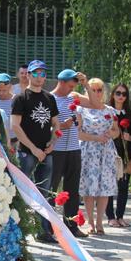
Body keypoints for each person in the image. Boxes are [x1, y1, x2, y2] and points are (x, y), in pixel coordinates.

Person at [10, 59, 59, 241]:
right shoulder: (21, 98)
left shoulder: (49, 98)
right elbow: (15, 126)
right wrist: (33, 148)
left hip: (46, 153)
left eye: (43, 74)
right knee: (21, 192)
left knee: (44, 193)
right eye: (36, 73)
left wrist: (53, 142)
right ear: (28, 75)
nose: (40, 77)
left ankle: (43, 231)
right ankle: (16, 230)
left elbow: (57, 124)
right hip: (26, 152)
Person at [76, 78, 118, 234]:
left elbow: (117, 130)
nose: (96, 93)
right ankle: (91, 223)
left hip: (106, 152)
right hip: (89, 151)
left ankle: (100, 222)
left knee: (104, 188)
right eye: (92, 90)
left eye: (99, 90)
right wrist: (95, 138)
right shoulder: (81, 109)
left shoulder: (109, 110)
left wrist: (111, 133)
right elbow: (78, 133)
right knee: (89, 188)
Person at [50, 68, 88, 236]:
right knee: (51, 188)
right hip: (56, 149)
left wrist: (86, 84)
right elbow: (45, 124)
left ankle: (71, 225)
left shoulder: (74, 98)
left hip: (74, 148)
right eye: (70, 86)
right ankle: (47, 226)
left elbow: (96, 104)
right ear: (62, 82)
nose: (72, 90)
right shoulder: (50, 98)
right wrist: (58, 126)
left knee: (72, 189)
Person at [105, 83, 131, 227]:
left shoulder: (130, 113)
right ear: (113, 94)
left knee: (123, 186)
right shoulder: (106, 111)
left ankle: (120, 216)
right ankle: (110, 216)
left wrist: (130, 137)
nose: (121, 96)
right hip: (109, 153)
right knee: (109, 185)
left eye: (124, 94)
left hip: (126, 155)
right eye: (118, 93)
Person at [0, 72, 17, 151]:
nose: (1, 93)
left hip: (15, 141)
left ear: (10, 87)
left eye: (4, 90)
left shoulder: (16, 100)